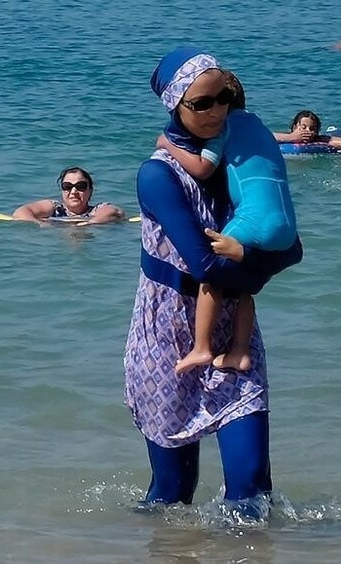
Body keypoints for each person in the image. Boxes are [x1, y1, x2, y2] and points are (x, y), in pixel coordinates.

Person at [124, 47, 303, 514]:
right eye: (201, 104)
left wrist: (253, 267)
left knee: (252, 486)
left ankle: (253, 546)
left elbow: (292, 247)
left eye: (223, 98)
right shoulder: (157, 176)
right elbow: (203, 265)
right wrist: (256, 271)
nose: (217, 111)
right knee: (173, 494)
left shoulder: (236, 160)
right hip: (168, 337)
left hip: (234, 332)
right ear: (175, 105)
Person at [156, 70, 298, 374]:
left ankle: (201, 348)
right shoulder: (259, 125)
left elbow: (203, 168)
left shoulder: (224, 127)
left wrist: (168, 145)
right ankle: (241, 351)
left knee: (213, 277)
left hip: (253, 219)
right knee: (243, 288)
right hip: (286, 225)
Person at [12, 167, 124, 224]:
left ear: (90, 191)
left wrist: (90, 223)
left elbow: (116, 212)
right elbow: (21, 212)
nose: (73, 191)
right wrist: (39, 224)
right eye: (67, 186)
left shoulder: (96, 211)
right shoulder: (56, 209)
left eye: (80, 186)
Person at [273, 110, 341, 158]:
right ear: (294, 127)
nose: (308, 131)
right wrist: (292, 137)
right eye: (303, 127)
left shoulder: (319, 139)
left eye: (312, 129)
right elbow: (267, 137)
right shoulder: (286, 137)